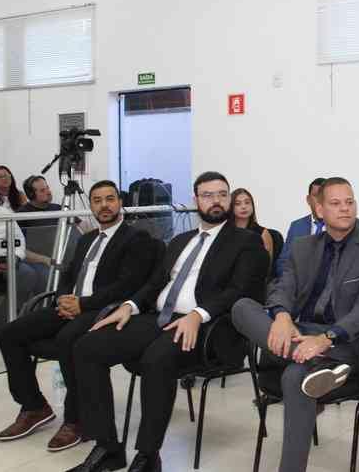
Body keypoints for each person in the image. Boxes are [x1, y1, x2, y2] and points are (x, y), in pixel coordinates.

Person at [67, 172, 268, 472]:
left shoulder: (247, 242)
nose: (216, 201)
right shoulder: (179, 241)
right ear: (195, 199)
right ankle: (107, 448)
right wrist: (130, 306)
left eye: (222, 194)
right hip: (158, 318)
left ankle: (148, 456)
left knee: (156, 359)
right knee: (86, 347)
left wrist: (198, 314)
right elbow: (155, 284)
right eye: (208, 195)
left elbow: (240, 290)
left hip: (209, 327)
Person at [232, 177, 359, 472]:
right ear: (319, 210)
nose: (345, 208)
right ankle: (314, 361)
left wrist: (325, 339)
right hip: (302, 334)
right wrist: (282, 317)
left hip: (349, 341)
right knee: (242, 307)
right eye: (335, 203)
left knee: (295, 377)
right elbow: (283, 287)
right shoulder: (303, 246)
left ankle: (314, 361)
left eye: (349, 202)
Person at [0, 180, 156, 452]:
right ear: (91, 206)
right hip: (72, 305)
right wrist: (62, 299)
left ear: (120, 202)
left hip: (103, 309)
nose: (104, 205)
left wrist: (83, 304)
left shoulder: (136, 239)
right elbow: (68, 276)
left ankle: (76, 419)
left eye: (110, 199)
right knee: (9, 334)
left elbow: (127, 285)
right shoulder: (86, 239)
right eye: (97, 200)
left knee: (68, 339)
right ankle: (34, 407)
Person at [274, 177, 326, 277]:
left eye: (323, 196)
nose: (320, 200)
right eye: (316, 195)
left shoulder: (340, 224)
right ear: (308, 200)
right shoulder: (297, 226)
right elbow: (283, 262)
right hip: (299, 282)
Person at [0, 204, 46, 306]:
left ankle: (18, 310)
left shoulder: (2, 212)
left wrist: (15, 258)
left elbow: (19, 241)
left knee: (32, 273)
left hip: (7, 259)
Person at [229, 187, 275, 266]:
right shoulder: (225, 231)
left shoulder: (263, 233)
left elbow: (267, 266)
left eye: (247, 202)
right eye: (238, 204)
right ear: (231, 207)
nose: (244, 207)